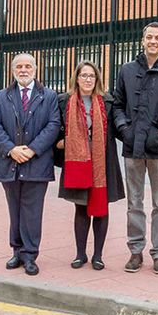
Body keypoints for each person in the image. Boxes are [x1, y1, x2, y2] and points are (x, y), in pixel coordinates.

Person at [112, 21, 158, 275]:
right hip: (132, 146)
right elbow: (117, 103)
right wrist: (124, 129)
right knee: (134, 201)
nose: (153, 41)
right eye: (149, 37)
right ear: (142, 40)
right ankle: (135, 251)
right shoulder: (126, 70)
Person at [0, 53, 60, 276]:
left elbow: (53, 125)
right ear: (13, 71)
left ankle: (30, 254)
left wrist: (32, 149)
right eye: (19, 67)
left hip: (37, 164)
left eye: (28, 66)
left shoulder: (48, 96)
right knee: (15, 210)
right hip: (10, 163)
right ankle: (17, 251)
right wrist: (11, 149)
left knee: (32, 211)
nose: (24, 70)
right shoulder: (2, 97)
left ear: (36, 69)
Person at [54, 61, 125, 271]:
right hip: (77, 162)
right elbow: (55, 129)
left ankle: (98, 255)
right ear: (76, 78)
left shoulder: (108, 101)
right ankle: (80, 254)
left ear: (97, 80)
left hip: (103, 162)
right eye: (83, 75)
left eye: (91, 76)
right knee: (81, 207)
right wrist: (62, 141)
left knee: (101, 209)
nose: (87, 79)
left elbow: (120, 129)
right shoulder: (64, 102)